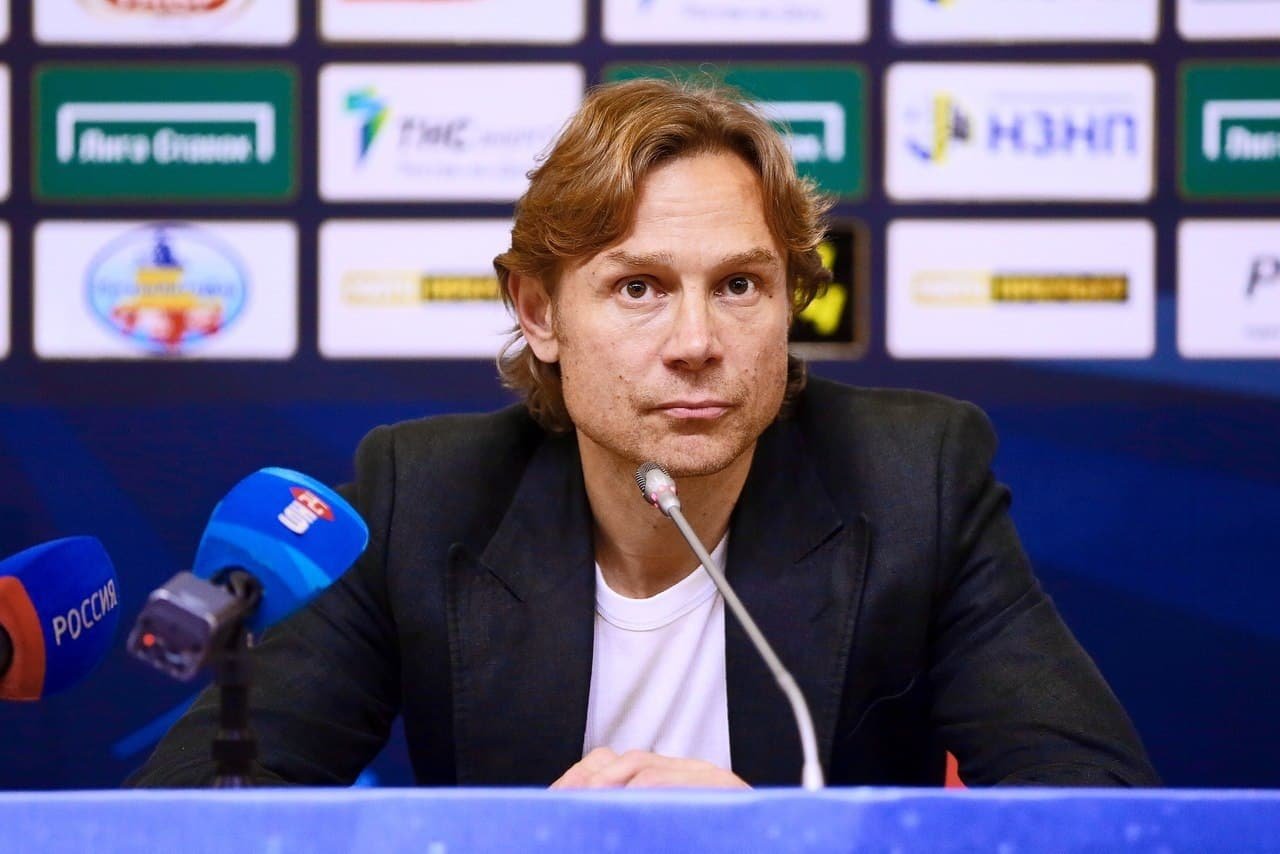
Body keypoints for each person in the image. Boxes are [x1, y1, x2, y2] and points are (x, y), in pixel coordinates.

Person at [129, 79, 1159, 789]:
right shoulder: (423, 497)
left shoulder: (911, 483)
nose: (697, 343)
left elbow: (1100, 810)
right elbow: (187, 815)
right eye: (638, 288)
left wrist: (782, 840)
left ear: (789, 301)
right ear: (539, 312)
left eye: (740, 285)